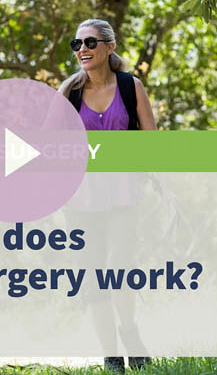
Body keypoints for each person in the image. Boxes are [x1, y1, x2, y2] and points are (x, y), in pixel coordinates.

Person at [59, 19, 156, 372]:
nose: (82, 49)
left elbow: (151, 142)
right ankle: (111, 355)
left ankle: (129, 331)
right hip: (80, 200)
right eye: (77, 43)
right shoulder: (69, 92)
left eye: (90, 42)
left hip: (123, 196)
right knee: (92, 273)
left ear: (110, 47)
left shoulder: (131, 87)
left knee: (121, 267)